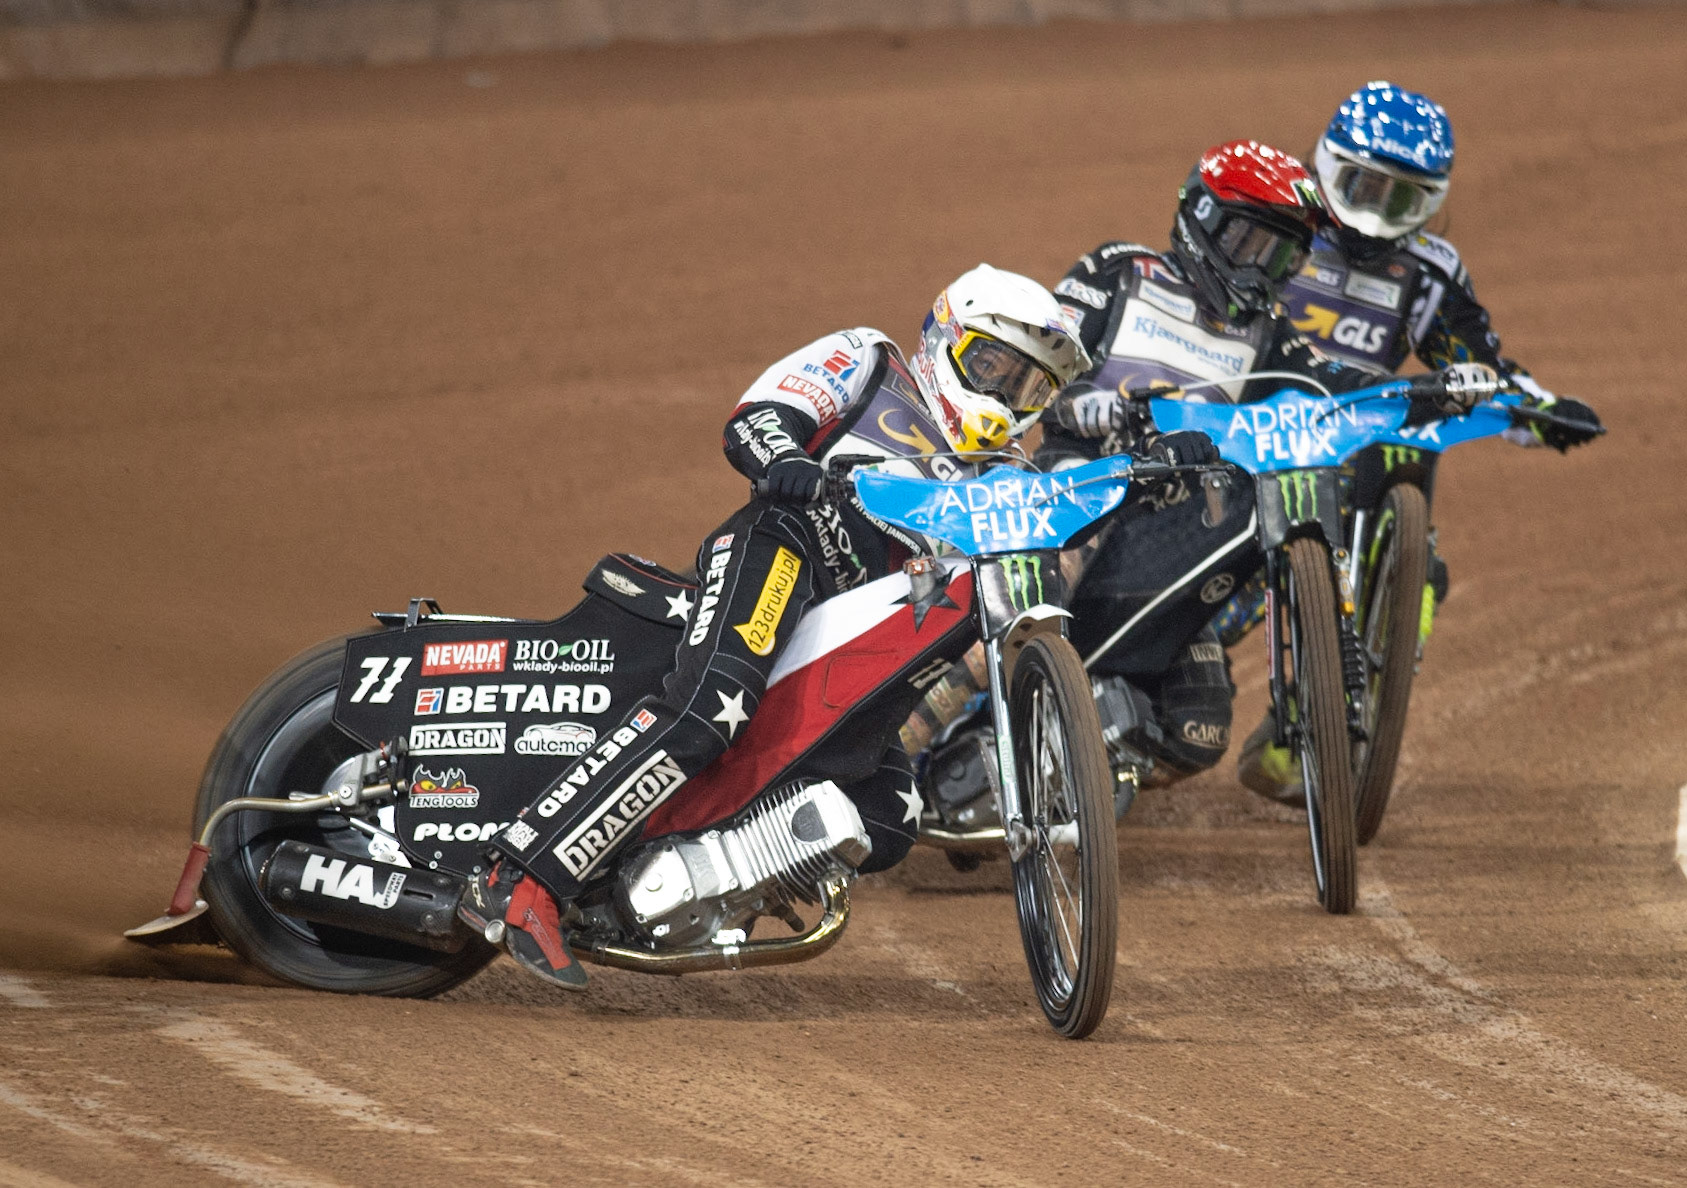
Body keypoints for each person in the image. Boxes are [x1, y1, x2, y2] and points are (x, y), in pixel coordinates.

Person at [458, 265, 1095, 988]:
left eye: (1029, 386)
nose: (1006, 395)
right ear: (945, 339)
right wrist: (788, 459)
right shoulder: (872, 361)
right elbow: (759, 416)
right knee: (709, 708)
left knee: (888, 812)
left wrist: (1173, 464)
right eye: (994, 365)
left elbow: (1070, 510)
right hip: (787, 546)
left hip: (849, 645)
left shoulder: (1000, 480)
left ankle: (674, 880)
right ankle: (517, 879)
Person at [1233, 82, 1605, 803]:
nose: (1378, 211)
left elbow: (1475, 365)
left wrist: (1538, 412)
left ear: (1430, 202)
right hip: (1246, 436)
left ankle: (1330, 705)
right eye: (1367, 186)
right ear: (1329, 165)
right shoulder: (1280, 224)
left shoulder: (1431, 273)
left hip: (1348, 441)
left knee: (1423, 568)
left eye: (1402, 199)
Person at [1038, 140, 1396, 781]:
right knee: (1047, 579)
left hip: (1184, 531)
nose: (1260, 270)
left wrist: (1426, 395)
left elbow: (1331, 389)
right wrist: (1107, 410)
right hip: (1085, 488)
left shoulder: (1269, 334)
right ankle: (935, 721)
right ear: (1201, 217)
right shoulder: (1119, 272)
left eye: (1280, 254)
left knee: (1199, 734)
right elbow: (1042, 373)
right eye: (1248, 243)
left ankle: (1082, 759)